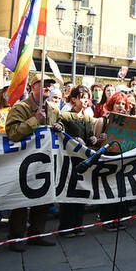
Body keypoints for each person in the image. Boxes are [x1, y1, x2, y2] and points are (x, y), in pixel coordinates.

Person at [5, 74, 61, 252]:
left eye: (50, 85)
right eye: (43, 84)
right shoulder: (20, 108)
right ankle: (15, 237)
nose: (48, 87)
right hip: (24, 162)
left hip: (44, 162)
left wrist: (60, 127)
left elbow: (58, 127)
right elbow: (12, 133)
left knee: (43, 199)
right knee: (21, 200)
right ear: (32, 87)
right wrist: (35, 120)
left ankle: (36, 234)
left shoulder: (53, 108)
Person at [54, 85, 102, 237]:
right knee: (69, 192)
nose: (85, 100)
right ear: (73, 99)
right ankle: (66, 227)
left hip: (83, 159)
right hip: (70, 159)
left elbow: (89, 138)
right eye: (82, 97)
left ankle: (77, 225)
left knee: (81, 191)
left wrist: (94, 139)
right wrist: (74, 139)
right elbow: (61, 129)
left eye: (87, 97)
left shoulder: (88, 118)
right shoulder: (66, 116)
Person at [94, 92, 131, 230]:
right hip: (107, 159)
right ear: (112, 105)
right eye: (118, 103)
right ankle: (107, 220)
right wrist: (100, 139)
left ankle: (118, 218)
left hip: (122, 159)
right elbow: (94, 142)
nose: (120, 106)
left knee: (121, 189)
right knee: (108, 190)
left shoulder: (129, 121)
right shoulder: (102, 121)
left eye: (123, 104)